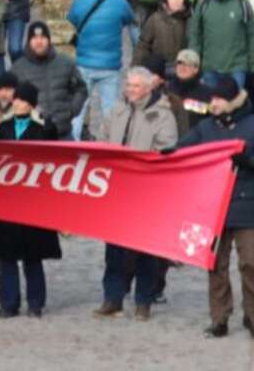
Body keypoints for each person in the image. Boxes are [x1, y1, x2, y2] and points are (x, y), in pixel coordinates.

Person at [178, 74, 254, 339]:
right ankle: (219, 318)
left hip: (247, 208)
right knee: (215, 265)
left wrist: (250, 160)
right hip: (213, 207)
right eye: (211, 99)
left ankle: (253, 315)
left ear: (232, 102)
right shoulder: (205, 128)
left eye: (217, 99)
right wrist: (165, 154)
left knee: (251, 263)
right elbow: (183, 149)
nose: (212, 103)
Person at [91, 66, 178, 320]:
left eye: (136, 86)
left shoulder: (162, 116)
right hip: (116, 188)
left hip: (146, 191)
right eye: (128, 85)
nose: (130, 90)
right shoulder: (117, 109)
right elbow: (101, 140)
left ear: (149, 87)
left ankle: (144, 300)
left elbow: (167, 150)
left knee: (146, 249)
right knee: (114, 249)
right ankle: (113, 297)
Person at [0, 80, 64, 317]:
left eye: (21, 99)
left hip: (34, 197)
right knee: (7, 255)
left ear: (30, 103)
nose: (17, 102)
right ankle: (9, 303)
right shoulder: (4, 127)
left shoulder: (44, 127)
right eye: (16, 98)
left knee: (33, 255)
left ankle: (35, 303)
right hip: (7, 198)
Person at [68, 0, 135, 138]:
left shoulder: (79, 3)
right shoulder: (119, 3)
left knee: (79, 109)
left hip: (84, 63)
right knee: (110, 109)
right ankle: (111, 144)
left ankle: (73, 145)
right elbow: (129, 19)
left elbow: (73, 19)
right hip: (110, 66)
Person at [8, 21, 87, 137]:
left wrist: (71, 111)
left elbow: (81, 89)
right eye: (34, 38)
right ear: (28, 41)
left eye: (42, 37)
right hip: (32, 138)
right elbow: (6, 96)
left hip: (63, 134)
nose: (39, 42)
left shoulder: (65, 63)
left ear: (49, 40)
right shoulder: (17, 68)